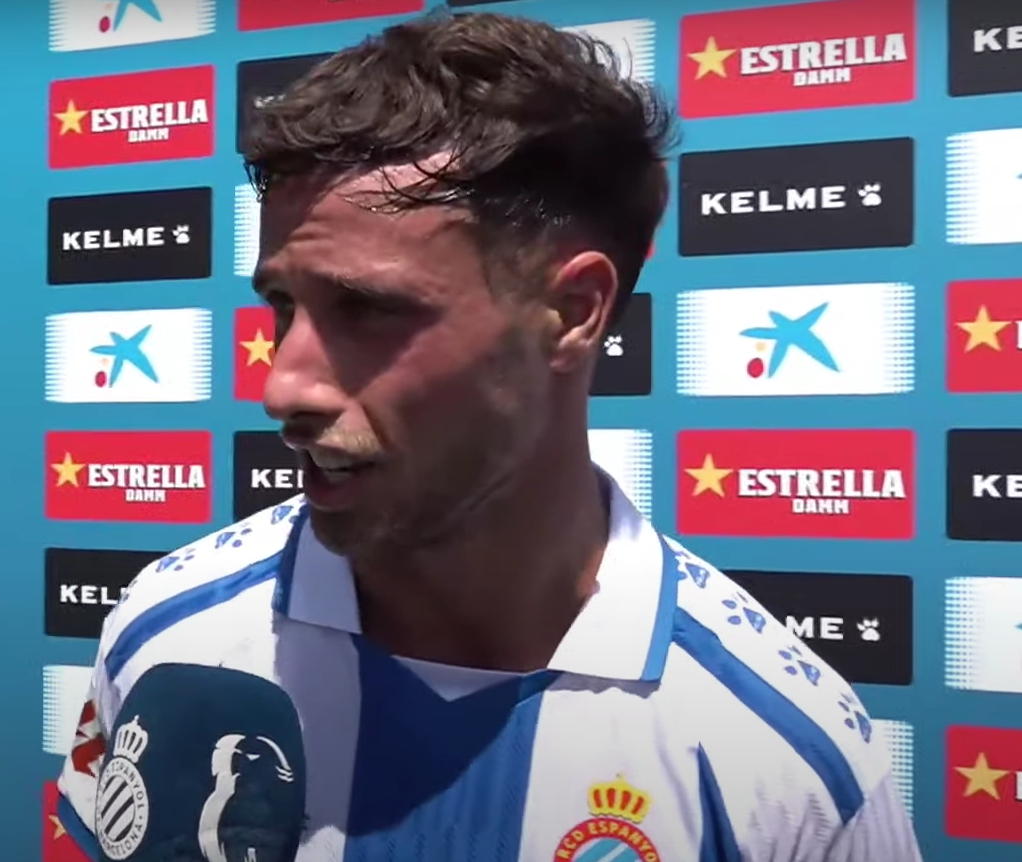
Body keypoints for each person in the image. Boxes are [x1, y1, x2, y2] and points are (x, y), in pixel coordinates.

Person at [50, 11, 922, 862]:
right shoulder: (168, 632)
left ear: (571, 312)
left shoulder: (787, 762)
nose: (282, 386)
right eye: (283, 305)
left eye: (368, 309)